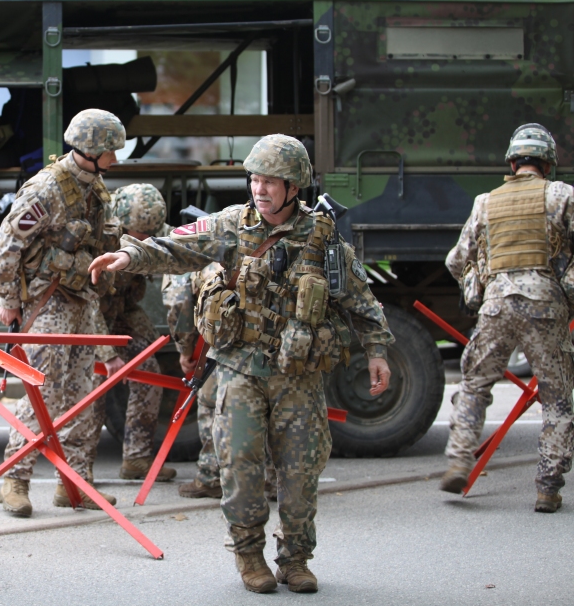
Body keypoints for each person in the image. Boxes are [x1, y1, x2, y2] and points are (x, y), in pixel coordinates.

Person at [89, 134, 393, 594]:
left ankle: (295, 558)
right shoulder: (231, 225)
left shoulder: (323, 237)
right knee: (239, 466)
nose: (260, 188)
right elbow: (175, 248)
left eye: (271, 181)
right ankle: (249, 555)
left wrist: (377, 351)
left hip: (299, 377)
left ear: (295, 187)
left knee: (300, 471)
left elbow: (360, 299)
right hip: (240, 370)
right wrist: (131, 254)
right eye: (254, 179)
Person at [0, 108, 125, 517]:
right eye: (110, 151)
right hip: (47, 301)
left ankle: (76, 482)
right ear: (91, 149)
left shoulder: (94, 187)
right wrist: (8, 299)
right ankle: (14, 480)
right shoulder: (47, 188)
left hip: (81, 299)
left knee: (83, 394)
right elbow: (7, 243)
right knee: (43, 390)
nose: (115, 159)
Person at [441, 123, 574, 512]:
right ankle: (548, 487)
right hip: (545, 308)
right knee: (556, 399)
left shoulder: (485, 201)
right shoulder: (562, 195)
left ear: (513, 162)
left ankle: (460, 461)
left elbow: (455, 260)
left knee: (475, 386)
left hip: (496, 307)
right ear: (547, 163)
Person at [163, 264, 279, 502]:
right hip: (270, 341)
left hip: (223, 343)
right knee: (268, 406)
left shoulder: (194, 254)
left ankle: (211, 478)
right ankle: (275, 480)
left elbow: (178, 303)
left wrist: (185, 349)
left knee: (211, 405)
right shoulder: (263, 244)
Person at [97, 184, 176, 481]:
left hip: (121, 311)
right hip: (90, 320)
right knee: (93, 392)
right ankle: (77, 476)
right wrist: (105, 353)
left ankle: (137, 458)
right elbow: (86, 303)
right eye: (140, 238)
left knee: (149, 374)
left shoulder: (153, 233)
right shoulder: (99, 240)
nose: (145, 244)